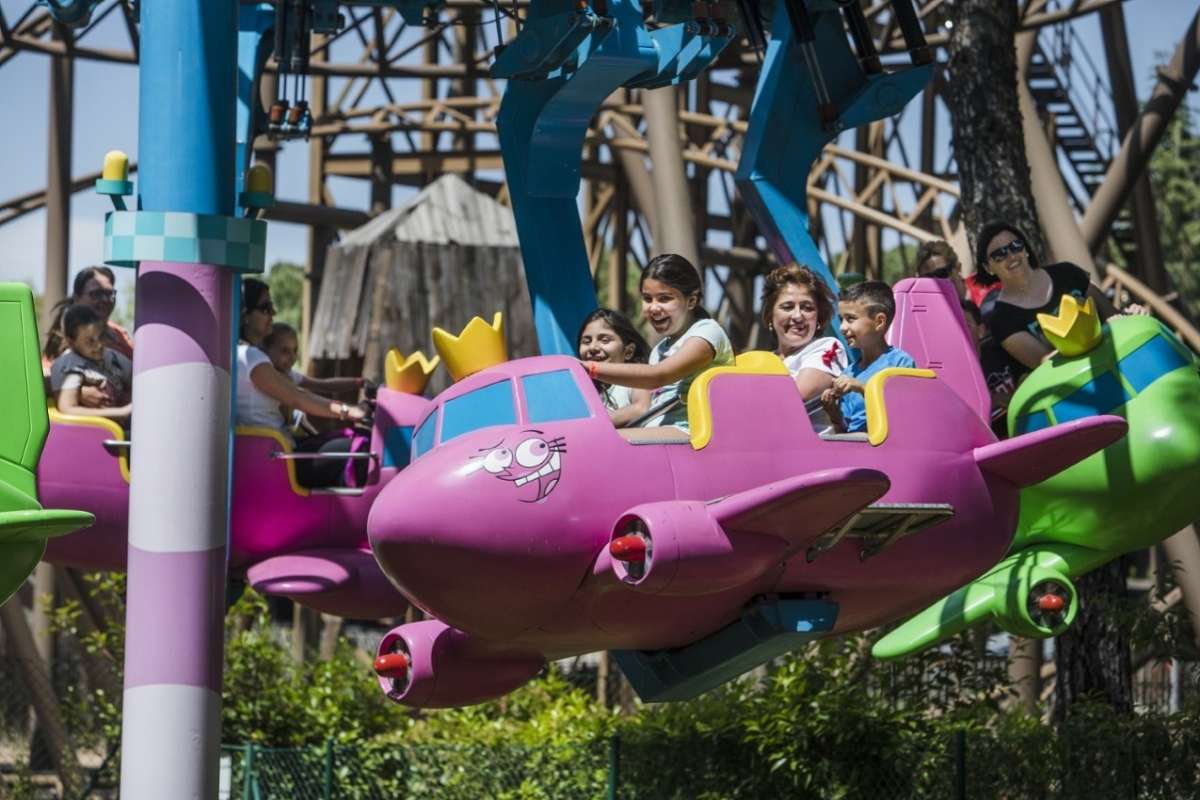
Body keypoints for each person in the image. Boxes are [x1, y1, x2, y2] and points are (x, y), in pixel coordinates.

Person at [237, 278, 368, 487]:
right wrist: (349, 411)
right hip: (278, 462)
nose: (273, 314)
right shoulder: (250, 357)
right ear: (245, 316)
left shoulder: (242, 356)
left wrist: (357, 384)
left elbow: (310, 388)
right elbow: (297, 397)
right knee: (364, 450)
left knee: (351, 440)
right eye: (265, 308)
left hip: (275, 454)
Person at [588, 254, 734, 437]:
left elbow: (659, 376)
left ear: (692, 300)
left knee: (605, 442)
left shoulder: (707, 333)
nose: (654, 308)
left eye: (664, 299)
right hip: (660, 430)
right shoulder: (660, 349)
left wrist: (591, 369)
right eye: (648, 299)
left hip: (692, 432)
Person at [974, 221, 1125, 383]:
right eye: (999, 254)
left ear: (1025, 250)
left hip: (1116, 361)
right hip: (1076, 388)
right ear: (988, 267)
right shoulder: (1001, 320)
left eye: (1016, 246)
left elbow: (1113, 317)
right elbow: (1047, 365)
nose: (1011, 256)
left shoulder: (1067, 272)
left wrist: (1132, 315)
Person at [820, 281, 915, 434]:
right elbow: (846, 430)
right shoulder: (849, 373)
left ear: (879, 322)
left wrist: (861, 388)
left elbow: (901, 412)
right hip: (856, 448)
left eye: (850, 318)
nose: (842, 327)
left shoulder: (900, 363)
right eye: (841, 319)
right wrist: (834, 414)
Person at [42, 266, 134, 405]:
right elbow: (42, 378)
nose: (104, 299)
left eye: (110, 294)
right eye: (96, 294)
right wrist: (77, 392)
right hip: (85, 422)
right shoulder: (64, 335)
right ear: (77, 297)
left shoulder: (120, 335)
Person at [760, 264, 847, 403]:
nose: (798, 316)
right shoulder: (763, 359)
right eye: (787, 307)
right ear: (770, 315)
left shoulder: (828, 347)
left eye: (807, 308)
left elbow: (798, 396)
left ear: (819, 317)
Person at [49, 304, 132, 424]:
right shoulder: (72, 365)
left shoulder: (112, 357)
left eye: (101, 336)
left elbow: (136, 378)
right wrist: (121, 412)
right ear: (71, 342)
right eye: (90, 341)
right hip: (89, 433)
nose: (99, 345)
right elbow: (67, 408)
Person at [576, 309, 652, 427]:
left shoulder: (633, 379)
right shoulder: (583, 388)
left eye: (604, 340)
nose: (593, 347)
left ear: (628, 351)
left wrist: (593, 424)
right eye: (586, 341)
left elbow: (641, 408)